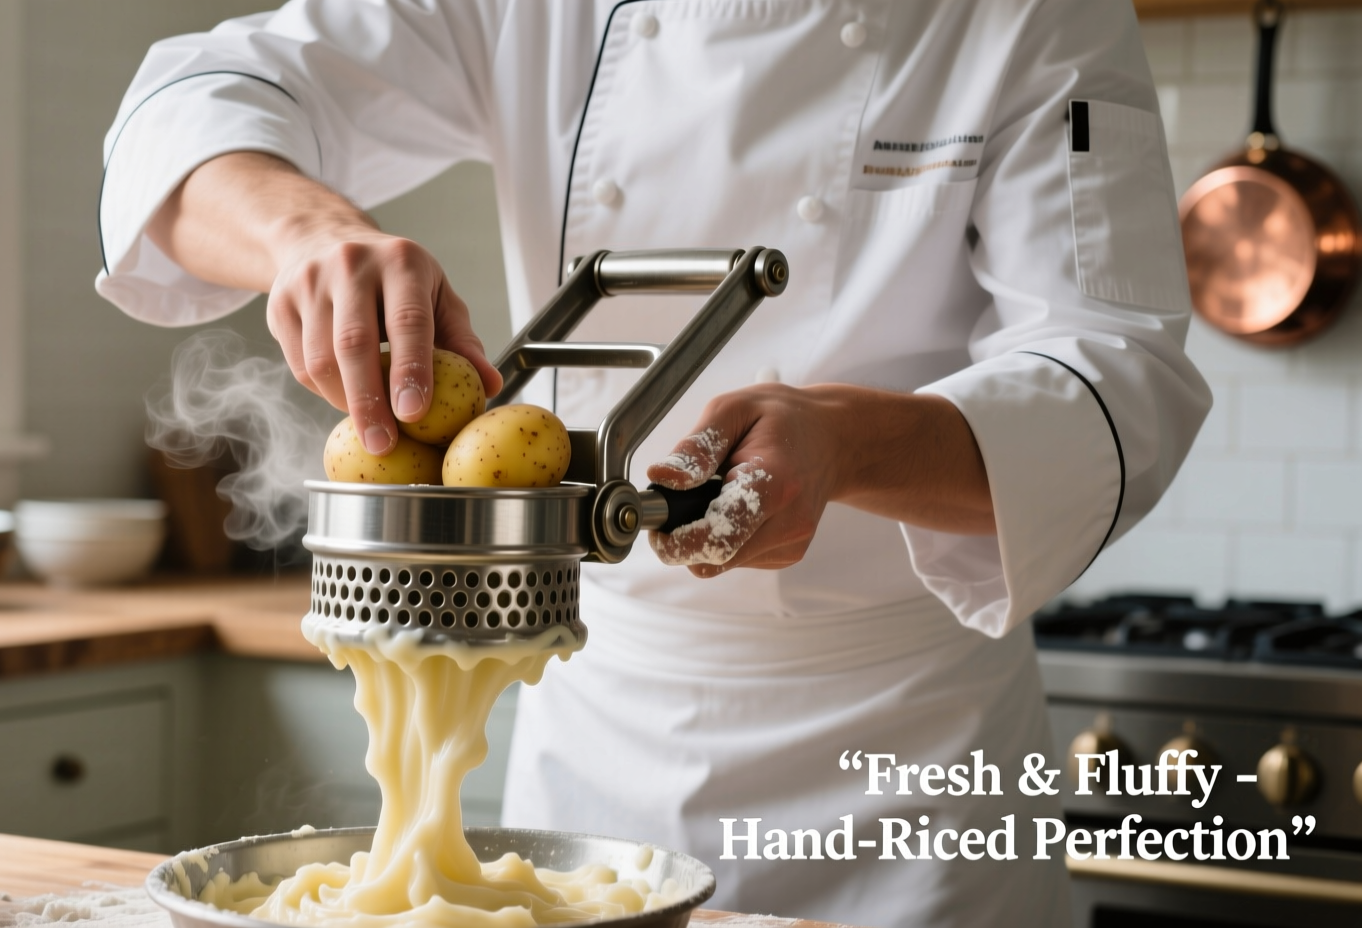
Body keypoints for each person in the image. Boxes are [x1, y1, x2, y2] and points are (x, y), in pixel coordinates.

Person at [96, 2, 1210, 925]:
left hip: (910, 766)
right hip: (596, 732)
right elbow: (194, 95)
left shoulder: (1025, 13)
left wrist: (847, 439)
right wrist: (302, 231)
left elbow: (1115, 373)